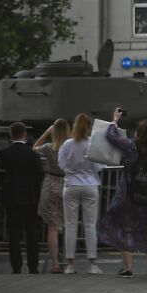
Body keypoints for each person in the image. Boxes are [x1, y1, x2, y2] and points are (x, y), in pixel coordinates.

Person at [99, 110, 147, 278]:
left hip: (127, 193)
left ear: (139, 133)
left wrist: (115, 120)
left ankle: (128, 269)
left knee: (127, 228)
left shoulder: (131, 146)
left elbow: (111, 135)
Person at [58, 112, 105, 274]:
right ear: (89, 127)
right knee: (90, 225)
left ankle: (70, 264)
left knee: (70, 225)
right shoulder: (93, 144)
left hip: (71, 185)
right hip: (90, 185)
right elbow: (99, 167)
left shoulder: (67, 144)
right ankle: (93, 263)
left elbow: (61, 164)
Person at [0, 121, 43, 274]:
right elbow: (39, 176)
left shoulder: (4, 153)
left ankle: (16, 266)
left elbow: (1, 166)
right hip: (29, 197)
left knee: (14, 233)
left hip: (11, 196)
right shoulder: (32, 154)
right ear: (24, 134)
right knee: (31, 233)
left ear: (11, 135)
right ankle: (33, 266)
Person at [33, 118, 70, 273]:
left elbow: (34, 148)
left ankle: (55, 264)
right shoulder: (70, 147)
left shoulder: (48, 147)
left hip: (50, 184)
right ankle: (70, 263)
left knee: (52, 228)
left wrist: (47, 132)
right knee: (70, 226)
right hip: (67, 185)